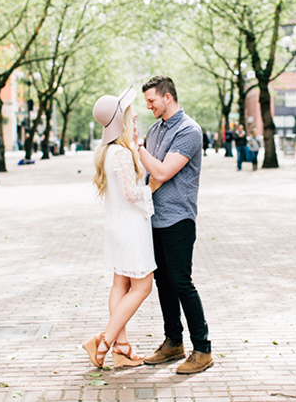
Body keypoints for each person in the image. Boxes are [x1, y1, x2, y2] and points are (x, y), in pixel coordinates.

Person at [137, 75, 213, 375]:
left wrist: (136, 147)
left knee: (182, 282)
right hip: (154, 218)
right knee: (163, 283)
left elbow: (163, 171)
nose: (149, 106)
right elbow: (150, 174)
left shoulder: (189, 130)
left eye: (152, 100)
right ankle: (173, 342)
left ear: (168, 97)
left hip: (179, 219)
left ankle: (203, 348)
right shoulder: (155, 130)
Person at [82, 87, 155, 370]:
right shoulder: (122, 154)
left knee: (120, 284)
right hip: (130, 230)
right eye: (130, 112)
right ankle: (104, 342)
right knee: (143, 286)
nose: (135, 114)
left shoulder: (107, 152)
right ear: (121, 120)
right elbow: (130, 193)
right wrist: (152, 187)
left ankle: (122, 350)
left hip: (115, 226)